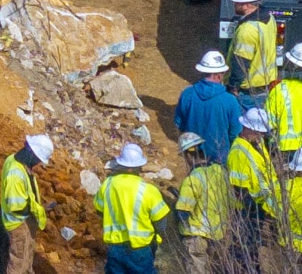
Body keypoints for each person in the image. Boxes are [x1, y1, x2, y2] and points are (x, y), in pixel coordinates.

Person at [97, 143, 174, 274]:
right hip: (140, 249)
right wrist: (160, 238)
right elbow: (161, 222)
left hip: (115, 248)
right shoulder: (149, 191)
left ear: (121, 164)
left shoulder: (107, 185)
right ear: (139, 166)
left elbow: (99, 211)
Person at [226, 105, 283, 261]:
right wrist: (255, 213)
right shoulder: (239, 152)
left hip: (261, 207)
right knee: (245, 250)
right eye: (260, 132)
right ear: (249, 129)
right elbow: (239, 190)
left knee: (253, 248)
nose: (263, 135)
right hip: (247, 210)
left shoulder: (256, 144)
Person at [175, 49, 243, 165]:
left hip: (194, 158)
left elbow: (179, 125)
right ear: (218, 75)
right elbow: (235, 133)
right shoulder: (230, 101)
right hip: (221, 159)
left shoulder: (187, 94)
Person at [0, 133, 55, 274]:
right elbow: (16, 207)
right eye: (37, 159)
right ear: (31, 153)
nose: (37, 163)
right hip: (18, 223)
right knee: (18, 264)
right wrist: (35, 210)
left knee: (26, 260)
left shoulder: (16, 161)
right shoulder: (15, 174)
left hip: (24, 221)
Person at [173, 147, 233, 265]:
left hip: (196, 236)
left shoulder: (193, 178)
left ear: (189, 156)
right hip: (218, 234)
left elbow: (183, 212)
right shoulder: (221, 171)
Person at [228, 0, 281, 95]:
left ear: (246, 5)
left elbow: (241, 64)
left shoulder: (247, 30)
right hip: (266, 85)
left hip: (248, 91)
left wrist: (232, 86)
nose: (234, 5)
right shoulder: (269, 18)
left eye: (237, 3)